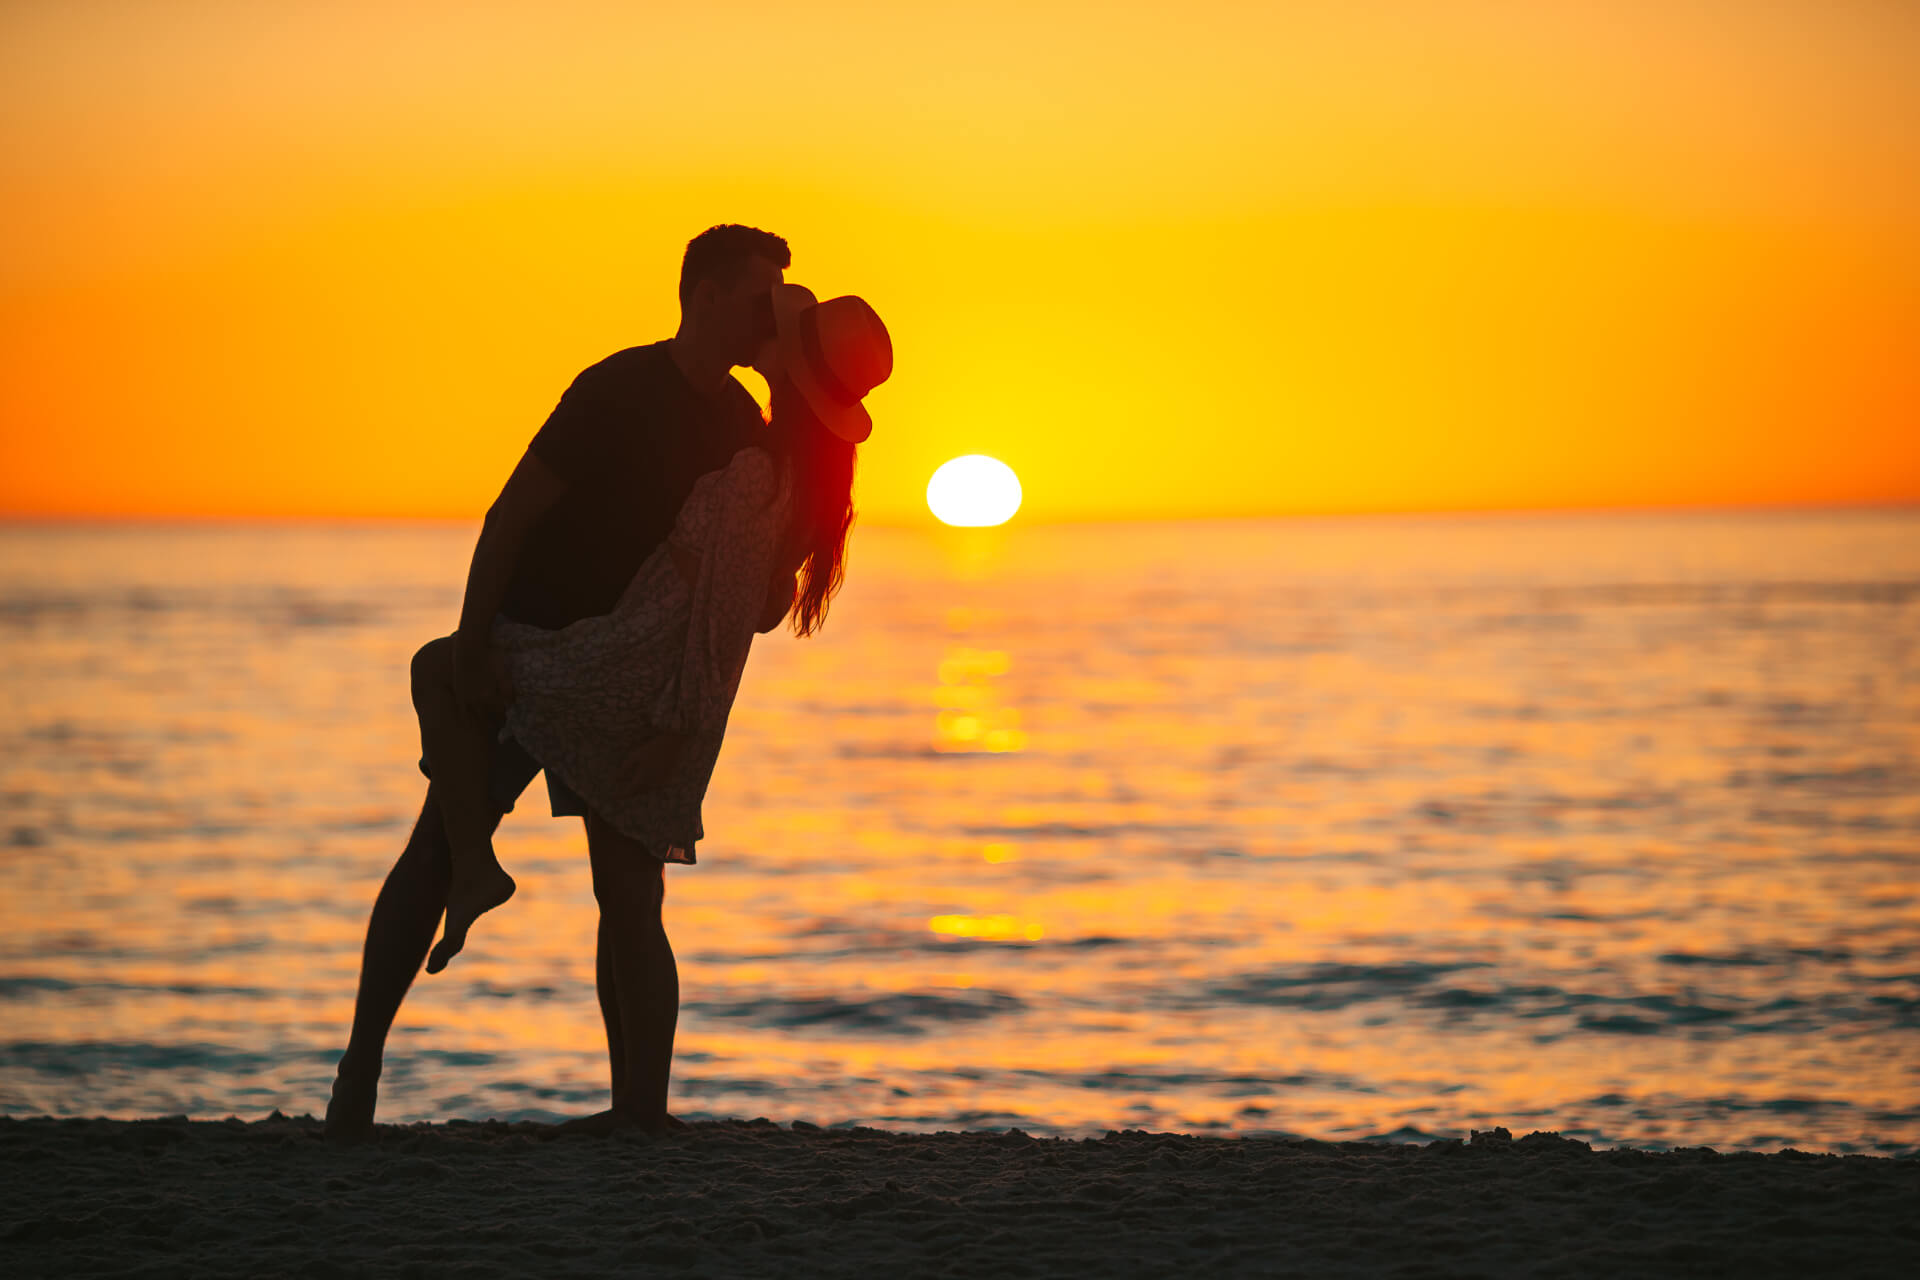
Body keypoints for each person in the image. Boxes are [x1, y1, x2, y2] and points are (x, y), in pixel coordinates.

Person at [324, 226, 880, 1141]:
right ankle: (366, 1072)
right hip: (539, 646)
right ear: (700, 296)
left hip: (611, 682)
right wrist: (476, 635)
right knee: (459, 852)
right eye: (757, 298)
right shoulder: (618, 391)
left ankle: (634, 1113)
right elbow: (515, 514)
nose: (765, 318)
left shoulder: (746, 431)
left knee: (621, 894)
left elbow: (748, 601)